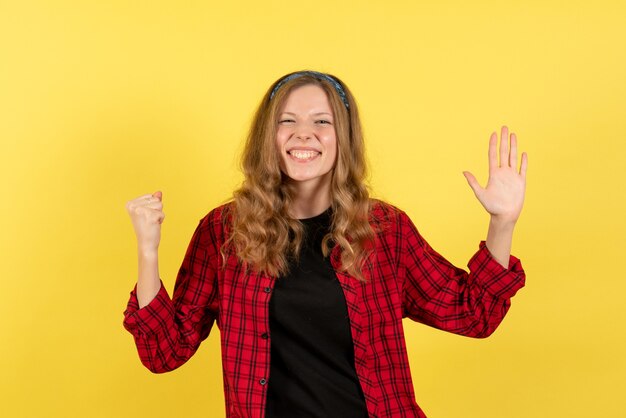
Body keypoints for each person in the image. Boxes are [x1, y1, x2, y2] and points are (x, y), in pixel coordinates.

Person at [122, 70, 528, 418]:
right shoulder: (224, 231)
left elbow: (474, 315)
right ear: (269, 136)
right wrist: (148, 251)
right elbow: (164, 352)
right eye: (287, 121)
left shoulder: (385, 229)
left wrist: (502, 222)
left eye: (322, 122)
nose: (304, 133)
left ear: (343, 139)